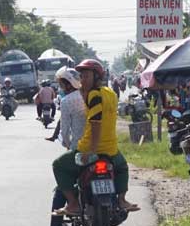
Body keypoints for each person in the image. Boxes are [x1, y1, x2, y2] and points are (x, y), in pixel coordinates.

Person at [51, 59, 138, 216]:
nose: (82, 80)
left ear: (96, 77)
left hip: (89, 147)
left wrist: (90, 151)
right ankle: (122, 200)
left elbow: (96, 124)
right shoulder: (110, 93)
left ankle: (72, 204)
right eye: (81, 77)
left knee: (58, 165)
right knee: (122, 167)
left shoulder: (94, 95)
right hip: (111, 149)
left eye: (86, 76)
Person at [37, 67, 85, 226]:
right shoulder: (90, 96)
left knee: (60, 191)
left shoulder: (67, 101)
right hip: (103, 148)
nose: (60, 86)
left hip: (79, 150)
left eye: (61, 83)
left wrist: (67, 144)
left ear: (66, 83)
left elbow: (65, 131)